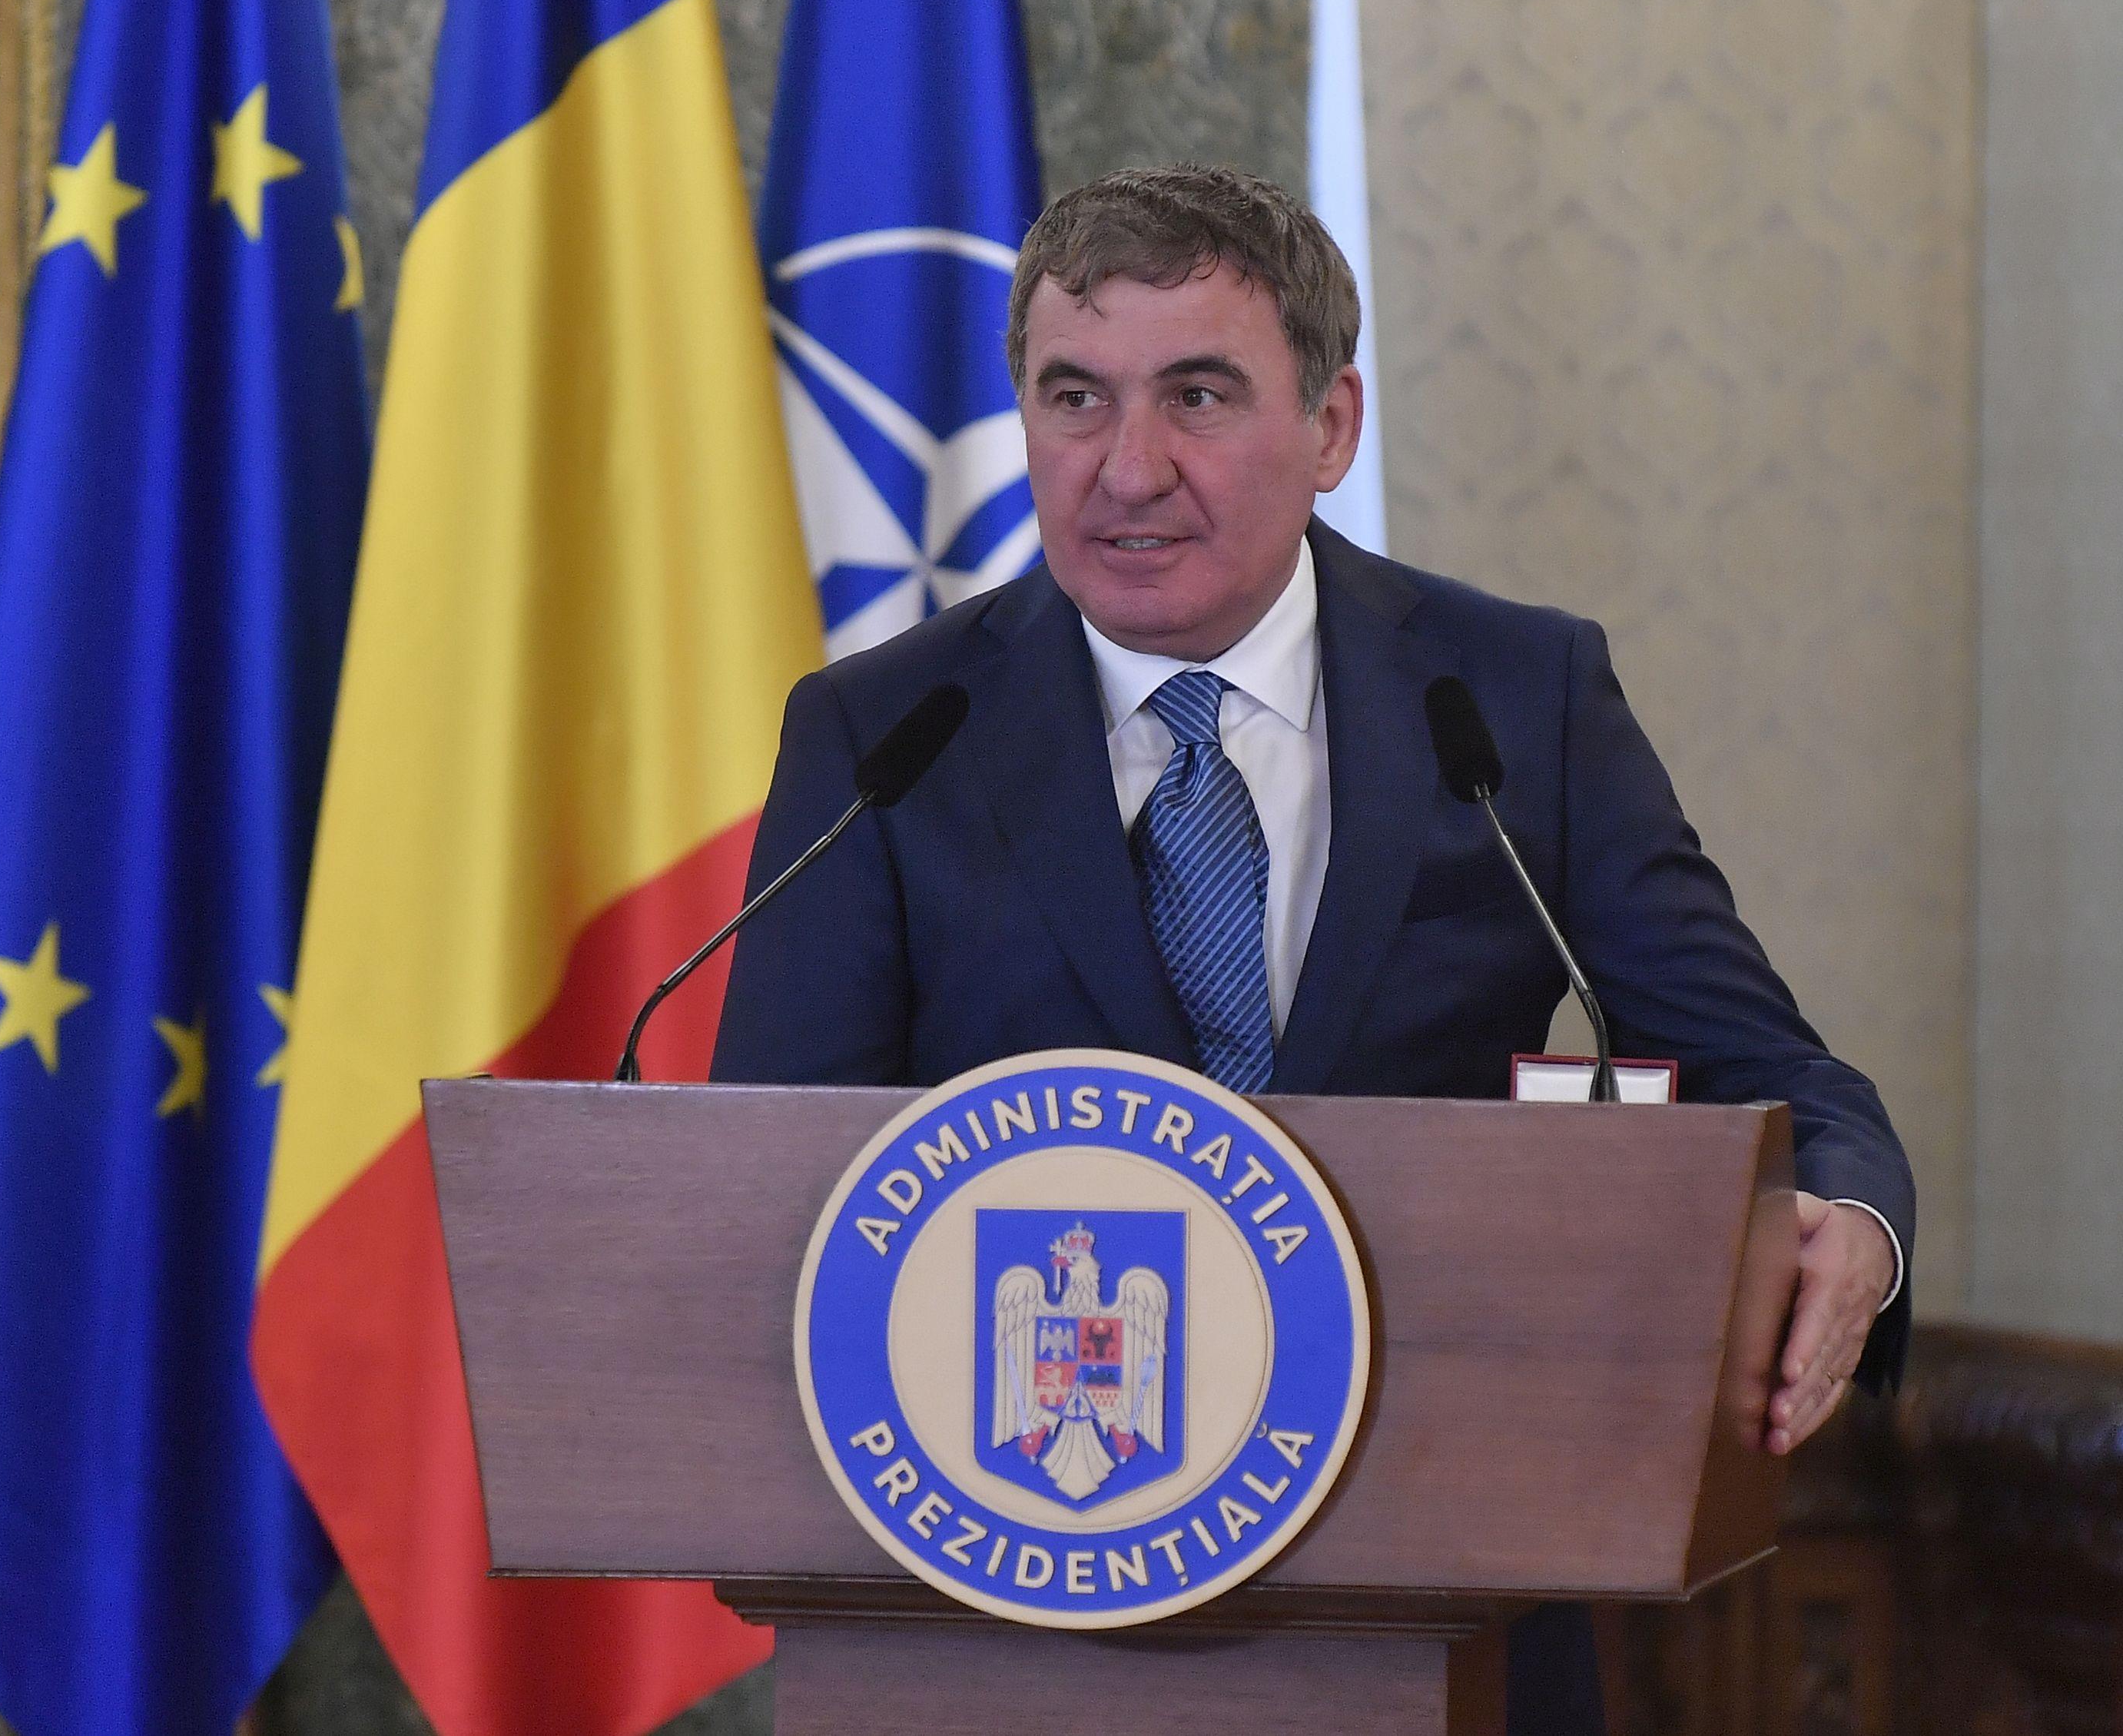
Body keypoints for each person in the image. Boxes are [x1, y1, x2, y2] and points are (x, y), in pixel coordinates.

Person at [711, 163, 1912, 1734]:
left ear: (1332, 427)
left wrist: (1853, 1222)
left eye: (1197, 396)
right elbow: (765, 1187)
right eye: (1074, 398)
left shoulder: (1509, 698)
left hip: (1445, 1589)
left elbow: (1773, 1074)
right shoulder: (886, 734)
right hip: (1007, 1611)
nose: (1127, 467)